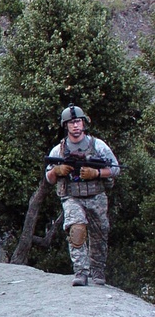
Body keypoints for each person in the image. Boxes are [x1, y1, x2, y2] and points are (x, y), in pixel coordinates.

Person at [44, 104, 120, 287]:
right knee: (76, 230)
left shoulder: (98, 146)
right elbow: (49, 178)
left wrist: (97, 174)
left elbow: (115, 169)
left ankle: (98, 270)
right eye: (71, 123)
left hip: (96, 196)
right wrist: (58, 170)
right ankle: (81, 272)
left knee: (100, 234)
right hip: (72, 196)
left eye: (78, 121)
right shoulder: (59, 150)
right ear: (66, 126)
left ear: (83, 123)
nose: (75, 126)